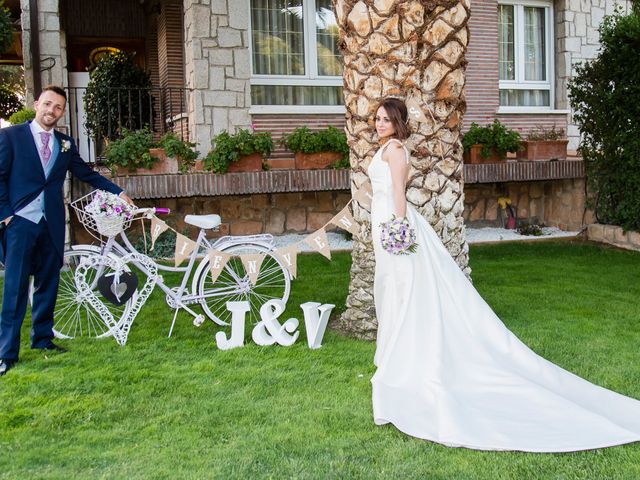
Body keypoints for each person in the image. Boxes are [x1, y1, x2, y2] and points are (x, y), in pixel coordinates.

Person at [368, 97, 640, 452]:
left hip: (394, 229)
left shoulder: (396, 151)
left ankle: (406, 363)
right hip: (383, 225)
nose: (379, 123)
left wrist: (398, 229)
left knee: (404, 293)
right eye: (376, 118)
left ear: (398, 122)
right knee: (392, 292)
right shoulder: (385, 148)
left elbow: (398, 194)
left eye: (385, 119)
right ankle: (395, 358)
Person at [0, 85, 132, 376]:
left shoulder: (65, 143)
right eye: (47, 104)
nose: (51, 111)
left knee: (48, 282)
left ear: (61, 112)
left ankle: (43, 340)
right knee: (15, 288)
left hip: (52, 222)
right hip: (20, 223)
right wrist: (7, 216)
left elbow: (86, 173)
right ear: (37, 104)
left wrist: (118, 192)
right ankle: (6, 353)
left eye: (57, 107)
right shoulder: (10, 137)